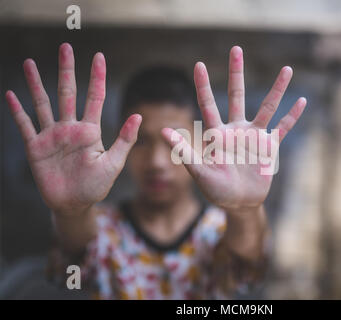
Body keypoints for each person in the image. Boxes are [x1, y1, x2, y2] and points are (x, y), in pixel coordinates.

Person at [5, 43, 307, 299]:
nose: (157, 162)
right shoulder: (104, 229)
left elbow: (248, 257)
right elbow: (75, 248)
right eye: (141, 142)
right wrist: (71, 209)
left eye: (174, 141)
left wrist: (244, 208)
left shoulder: (217, 231)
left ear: (203, 143)